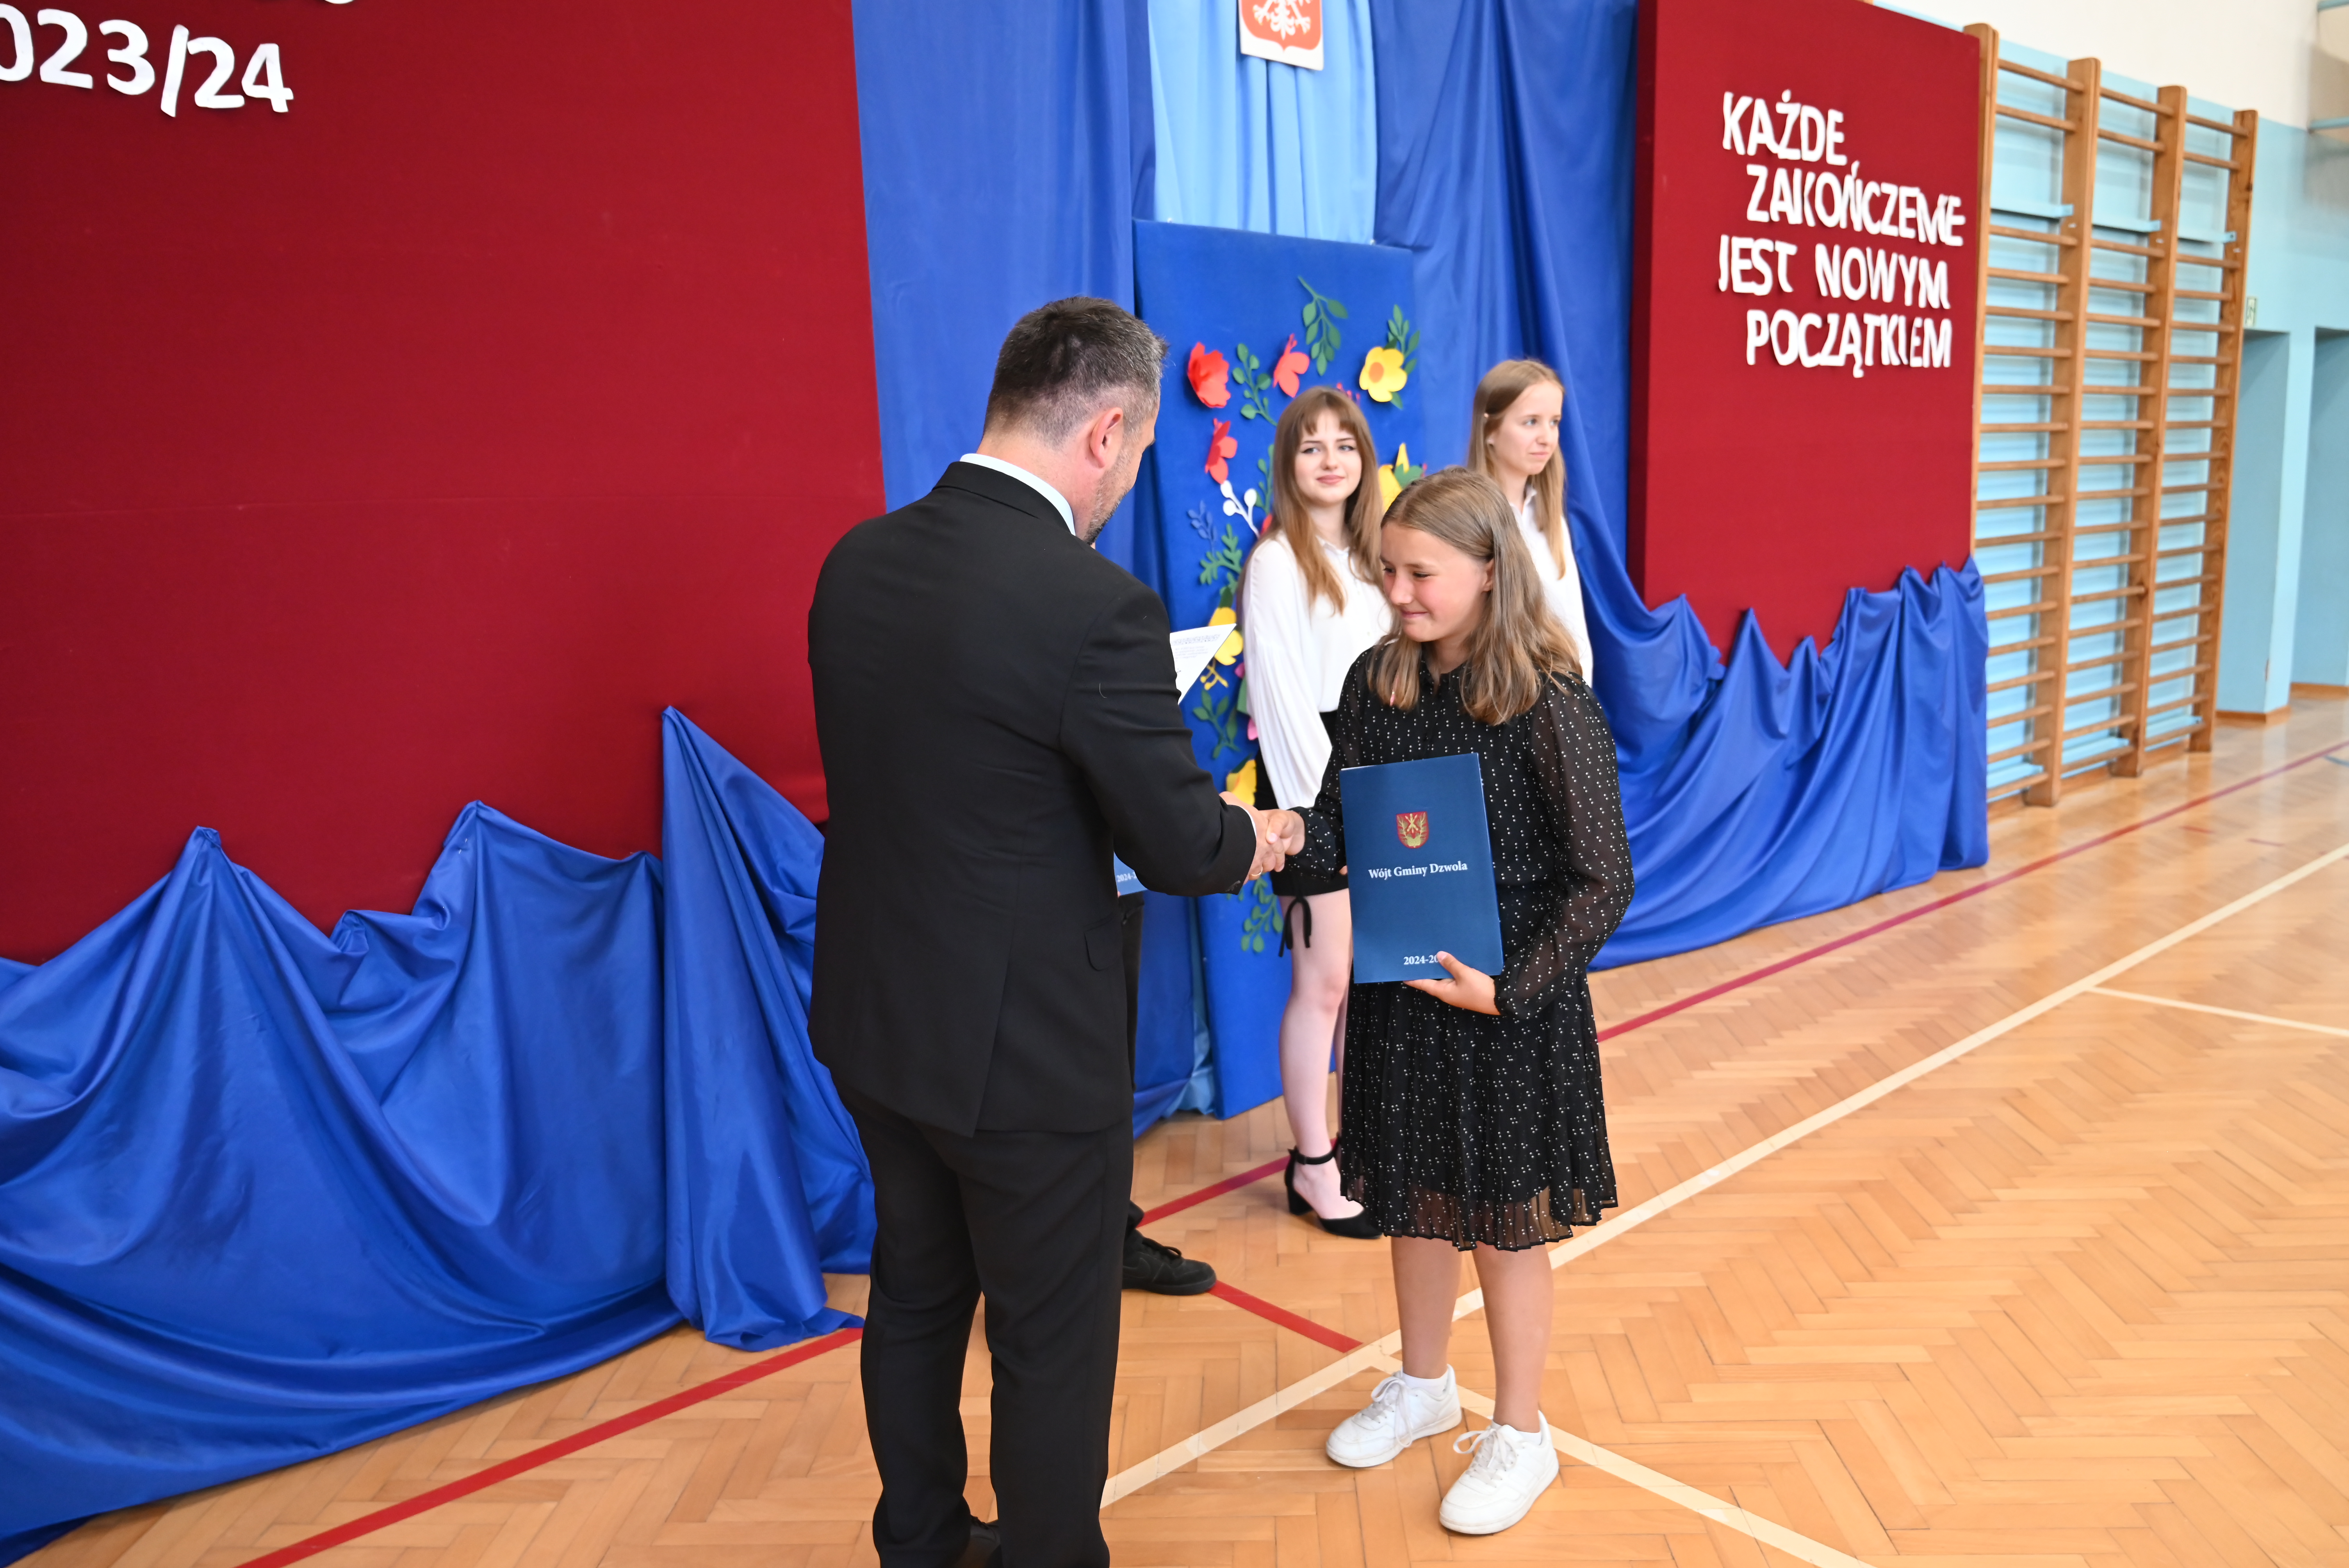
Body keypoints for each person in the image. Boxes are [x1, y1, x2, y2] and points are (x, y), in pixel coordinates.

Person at [808, 296, 1288, 1568]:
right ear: (1107, 431)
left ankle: (919, 1540)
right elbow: (1180, 845)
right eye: (1134, 459)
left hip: (876, 1016)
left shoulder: (857, 562)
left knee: (917, 1291)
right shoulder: (1093, 606)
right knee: (1049, 1338)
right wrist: (1258, 837)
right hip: (1020, 1048)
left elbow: (956, 773)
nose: (1124, 488)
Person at [1261, 467, 1634, 1536]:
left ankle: (1521, 1431)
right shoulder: (1378, 680)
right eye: (1387, 569)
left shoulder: (1549, 698)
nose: (1397, 592)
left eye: (1420, 574)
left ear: (1487, 569)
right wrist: (1273, 838)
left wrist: (1509, 990)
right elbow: (1340, 829)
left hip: (1507, 1009)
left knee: (1507, 1226)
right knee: (1414, 1199)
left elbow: (1603, 879)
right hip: (1404, 996)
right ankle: (1423, 1384)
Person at [1238, 387, 1388, 1239]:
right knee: (1322, 980)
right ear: (1288, 465)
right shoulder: (1275, 562)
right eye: (1311, 446)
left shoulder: (1377, 556)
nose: (1331, 460)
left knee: (1371, 979)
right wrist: (1321, 816)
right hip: (1314, 787)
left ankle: (1358, 1143)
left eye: (1345, 444)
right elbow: (1283, 701)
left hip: (1383, 778)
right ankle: (1312, 1162)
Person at [1465, 360, 1595, 682]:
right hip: (1497, 691)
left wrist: (1581, 689)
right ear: (1490, 430)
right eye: (1531, 422)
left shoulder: (1548, 517)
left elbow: (1572, 619)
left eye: (1554, 422)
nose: (1547, 438)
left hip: (1560, 692)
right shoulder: (1467, 518)